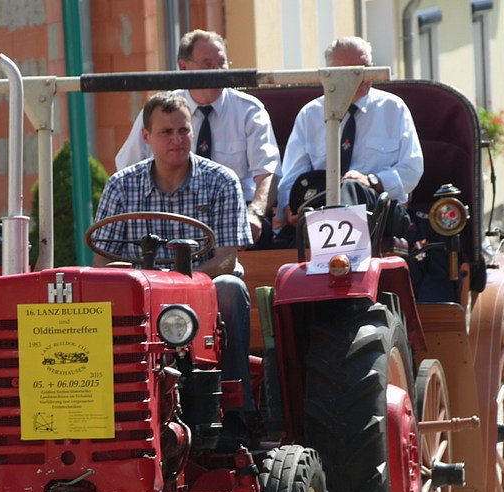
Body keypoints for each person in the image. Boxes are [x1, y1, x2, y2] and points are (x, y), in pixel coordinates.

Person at [94, 92, 254, 449]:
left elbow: (227, 257)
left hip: (201, 289)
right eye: (166, 132)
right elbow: (102, 260)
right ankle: (108, 408)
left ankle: (234, 410)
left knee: (230, 287)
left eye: (183, 130)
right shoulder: (121, 186)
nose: (177, 139)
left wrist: (180, 285)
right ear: (146, 137)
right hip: (139, 294)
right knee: (97, 300)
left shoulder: (222, 181)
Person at [115, 29, 280, 247]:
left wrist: (255, 213)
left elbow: (268, 173)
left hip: (237, 214)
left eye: (222, 63)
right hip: (171, 215)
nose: (217, 71)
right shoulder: (160, 110)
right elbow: (127, 171)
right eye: (207, 64)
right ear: (183, 67)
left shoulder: (249, 110)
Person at [276, 36, 423, 228]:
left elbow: (412, 168)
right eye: (350, 70)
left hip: (380, 211)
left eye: (366, 67)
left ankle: (339, 246)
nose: (360, 76)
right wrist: (289, 208)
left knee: (350, 187)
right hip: (319, 212)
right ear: (329, 74)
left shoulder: (393, 109)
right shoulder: (310, 114)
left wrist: (371, 181)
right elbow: (292, 176)